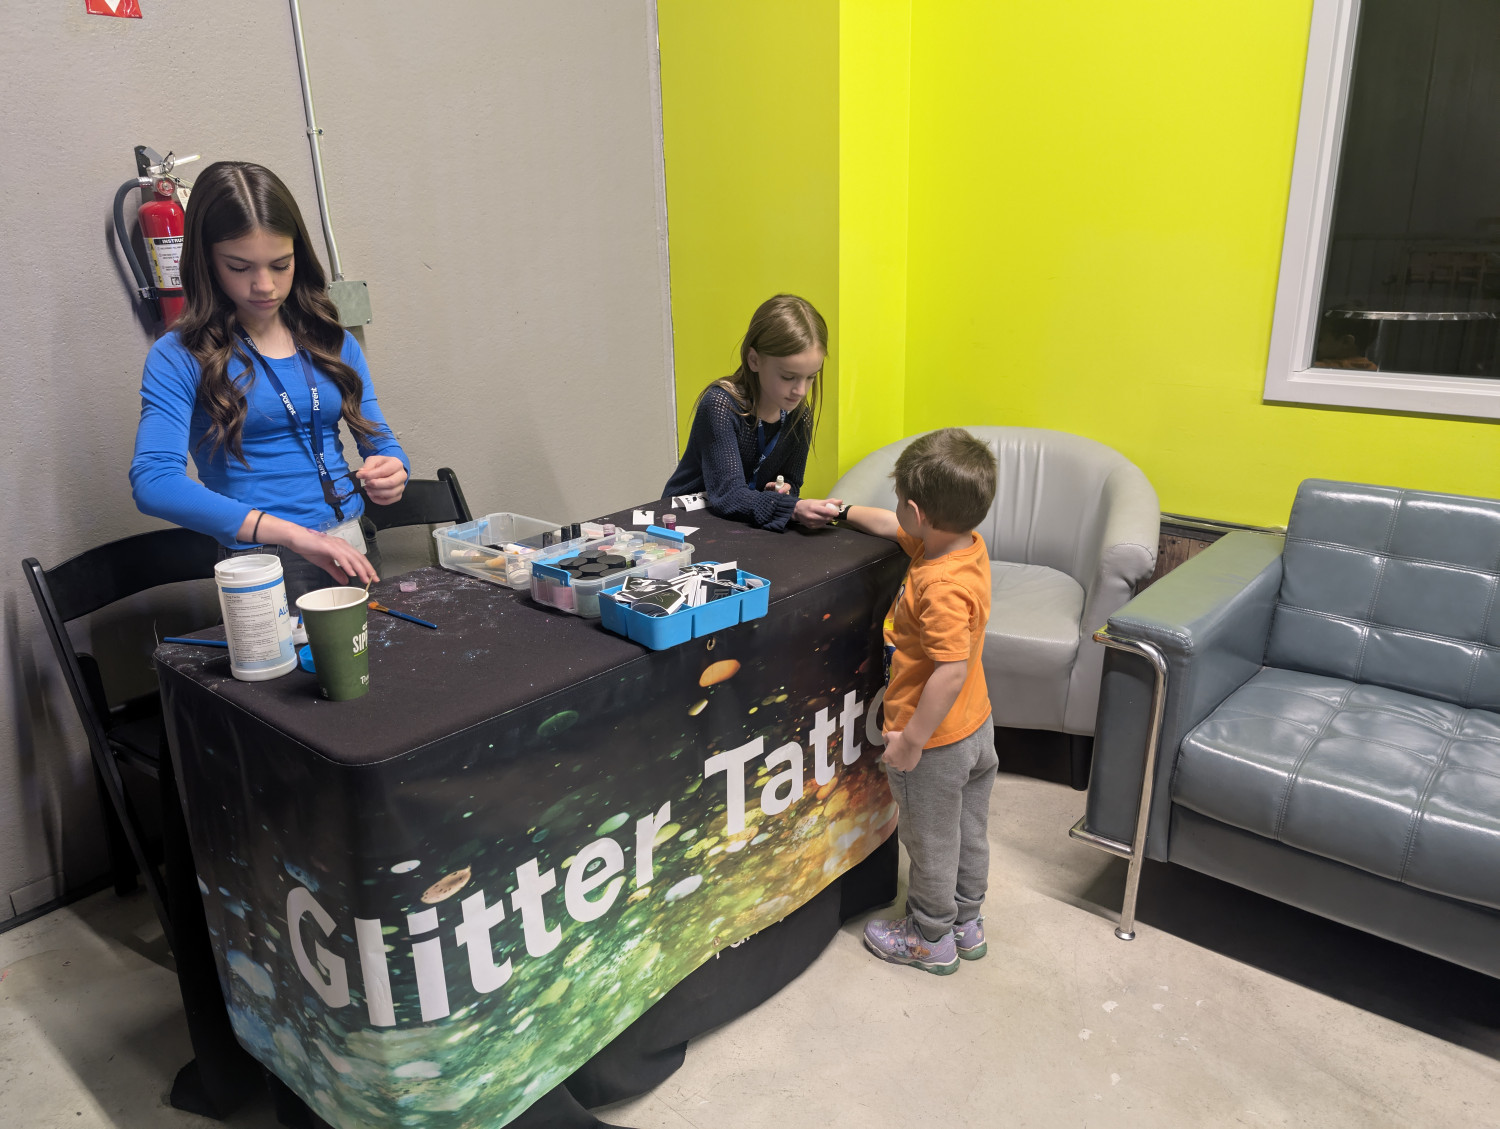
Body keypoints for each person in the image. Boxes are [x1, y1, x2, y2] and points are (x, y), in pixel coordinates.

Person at [130, 162, 409, 605]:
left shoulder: (331, 339)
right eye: (239, 267)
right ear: (207, 262)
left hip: (353, 540)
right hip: (264, 559)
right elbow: (154, 482)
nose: (265, 286)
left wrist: (394, 468)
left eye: (281, 265)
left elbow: (382, 441)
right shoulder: (179, 355)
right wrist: (293, 535)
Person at [836, 428, 999, 974]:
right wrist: (842, 510)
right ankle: (966, 920)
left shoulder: (938, 586)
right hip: (977, 727)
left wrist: (911, 742)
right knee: (969, 831)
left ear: (917, 511)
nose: (896, 512)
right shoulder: (962, 548)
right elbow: (891, 526)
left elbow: (949, 672)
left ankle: (930, 936)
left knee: (931, 841)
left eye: (899, 502)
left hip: (934, 742)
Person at [663, 294, 841, 530]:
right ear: (754, 360)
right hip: (685, 520)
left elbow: (792, 481)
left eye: (811, 377)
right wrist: (794, 508)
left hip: (739, 524)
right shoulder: (720, 405)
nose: (800, 391)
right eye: (788, 377)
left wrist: (782, 489)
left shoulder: (800, 416)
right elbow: (729, 494)